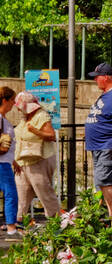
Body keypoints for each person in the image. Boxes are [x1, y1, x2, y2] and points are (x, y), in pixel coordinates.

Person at [84, 63, 112, 221]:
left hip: (108, 146)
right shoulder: (107, 94)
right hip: (99, 147)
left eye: (97, 77)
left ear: (106, 77)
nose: (95, 80)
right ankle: (105, 216)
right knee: (101, 182)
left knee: (105, 181)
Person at [12, 92, 61, 221]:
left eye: (19, 106)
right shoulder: (25, 117)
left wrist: (35, 131)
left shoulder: (42, 115)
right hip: (22, 162)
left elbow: (51, 136)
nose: (17, 109)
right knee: (22, 194)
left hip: (39, 161)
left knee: (44, 192)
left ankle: (56, 221)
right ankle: (19, 221)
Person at [0, 88, 19, 235]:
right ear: (5, 100)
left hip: (6, 161)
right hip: (2, 164)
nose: (14, 103)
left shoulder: (3, 119)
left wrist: (14, 161)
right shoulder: (0, 119)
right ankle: (11, 227)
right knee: (11, 193)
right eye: (12, 100)